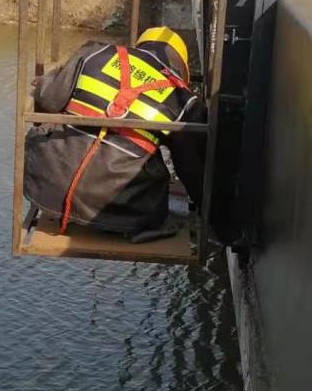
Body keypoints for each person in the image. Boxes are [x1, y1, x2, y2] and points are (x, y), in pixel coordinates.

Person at [23, 25, 206, 241]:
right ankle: (146, 227)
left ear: (138, 47)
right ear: (180, 69)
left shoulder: (97, 52)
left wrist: (48, 81)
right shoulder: (184, 100)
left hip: (46, 187)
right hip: (126, 212)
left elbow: (47, 99)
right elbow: (191, 171)